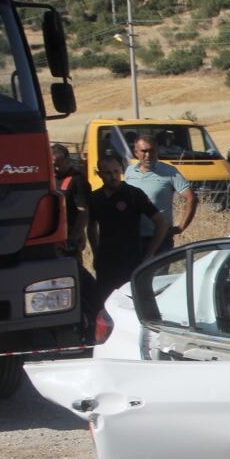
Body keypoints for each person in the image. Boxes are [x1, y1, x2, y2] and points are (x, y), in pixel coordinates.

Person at [88, 155, 169, 310]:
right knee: (105, 305)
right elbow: (91, 227)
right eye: (108, 173)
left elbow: (161, 224)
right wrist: (96, 252)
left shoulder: (133, 195)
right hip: (106, 263)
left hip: (131, 262)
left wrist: (148, 256)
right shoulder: (95, 198)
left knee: (131, 305)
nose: (113, 177)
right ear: (99, 174)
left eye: (116, 171)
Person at [52, 143, 97, 335]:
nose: (55, 167)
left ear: (68, 161)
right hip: (53, 238)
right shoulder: (50, 179)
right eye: (52, 164)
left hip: (68, 239)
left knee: (75, 277)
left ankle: (85, 316)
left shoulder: (77, 181)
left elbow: (83, 212)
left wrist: (75, 236)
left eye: (58, 164)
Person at [125, 134, 195, 254]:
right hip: (133, 238)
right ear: (136, 152)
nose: (148, 155)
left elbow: (191, 198)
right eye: (144, 151)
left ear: (157, 151)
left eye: (152, 150)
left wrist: (181, 227)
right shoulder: (129, 171)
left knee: (159, 273)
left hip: (161, 239)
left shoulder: (170, 172)